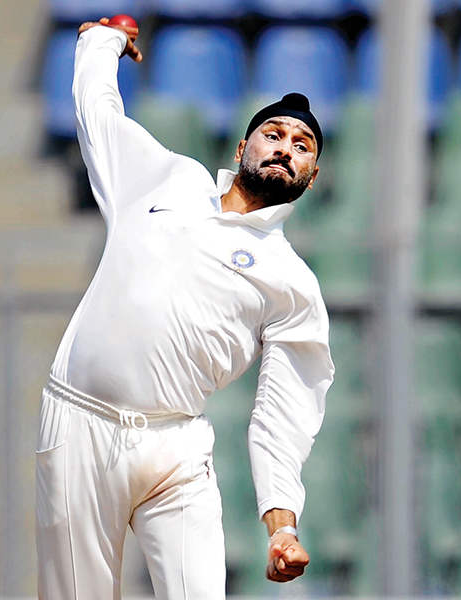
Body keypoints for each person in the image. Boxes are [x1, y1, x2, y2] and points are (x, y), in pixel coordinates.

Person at [35, 17, 335, 600]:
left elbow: (286, 412)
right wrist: (102, 43)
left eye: (303, 147)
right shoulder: (167, 180)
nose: (286, 148)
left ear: (311, 176)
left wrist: (283, 523)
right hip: (78, 421)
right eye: (274, 133)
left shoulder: (292, 281)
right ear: (243, 145)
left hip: (176, 445)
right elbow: (99, 116)